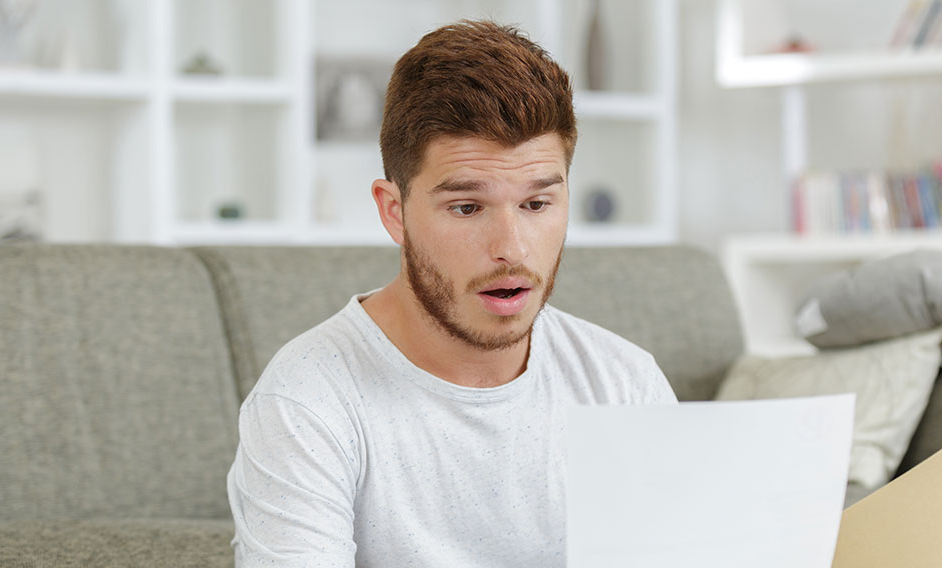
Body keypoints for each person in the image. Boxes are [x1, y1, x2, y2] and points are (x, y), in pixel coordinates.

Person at [227, 20, 677, 567]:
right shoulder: (307, 404)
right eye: (467, 207)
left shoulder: (624, 385)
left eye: (537, 205)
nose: (511, 248)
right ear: (394, 212)